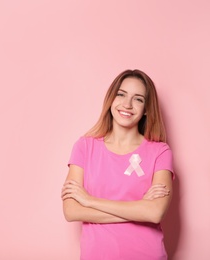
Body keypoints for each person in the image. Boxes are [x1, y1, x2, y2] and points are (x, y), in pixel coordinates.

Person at [61, 69, 174, 260]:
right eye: (121, 94)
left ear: (146, 108)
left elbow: (155, 213)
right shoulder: (84, 147)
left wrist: (90, 201)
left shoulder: (160, 152)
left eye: (138, 99)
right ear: (111, 99)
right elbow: (71, 211)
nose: (127, 104)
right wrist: (139, 210)